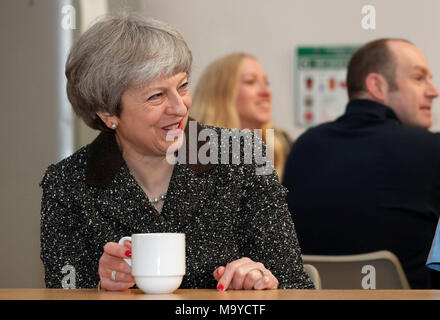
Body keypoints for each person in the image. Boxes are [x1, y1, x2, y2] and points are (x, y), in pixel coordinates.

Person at [40, 14, 314, 291]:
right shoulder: (67, 183)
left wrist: (263, 281)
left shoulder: (242, 155)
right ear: (108, 113)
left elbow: (296, 285)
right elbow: (63, 292)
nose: (180, 107)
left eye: (182, 86)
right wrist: (99, 286)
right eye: (156, 96)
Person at [282, 38, 440, 289]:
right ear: (377, 85)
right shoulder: (431, 150)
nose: (433, 91)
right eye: (419, 78)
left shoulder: (304, 146)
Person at [190, 53, 292, 181]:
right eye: (250, 82)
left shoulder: (285, 148)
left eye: (267, 83)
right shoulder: (195, 154)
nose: (266, 92)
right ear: (221, 92)